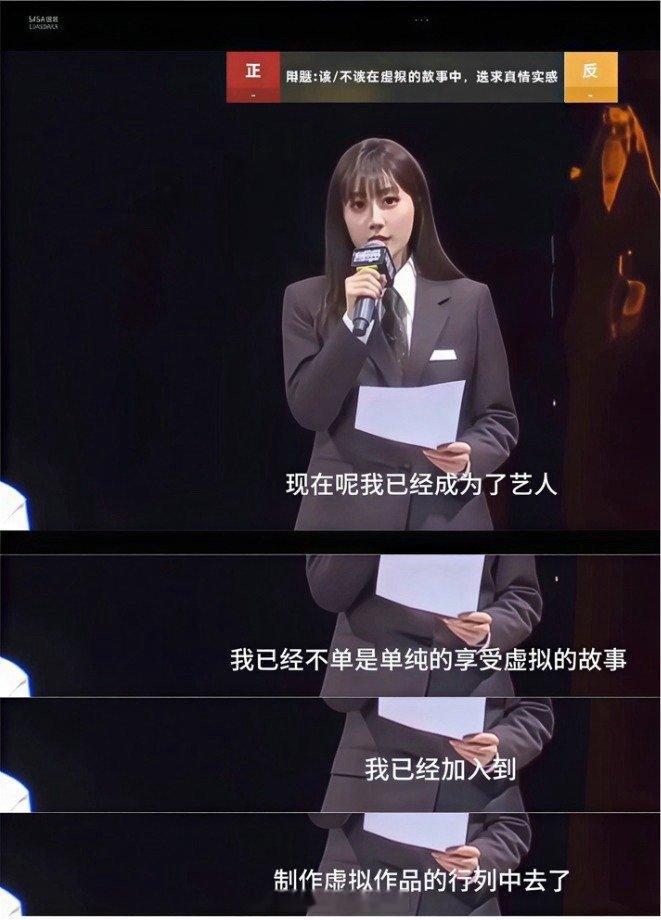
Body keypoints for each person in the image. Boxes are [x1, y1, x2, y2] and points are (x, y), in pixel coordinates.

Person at [283, 138, 517, 530]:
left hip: (442, 521)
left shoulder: (469, 300)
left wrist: (470, 455)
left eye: (390, 200)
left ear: (417, 205)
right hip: (349, 529)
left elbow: (499, 417)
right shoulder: (307, 300)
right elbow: (310, 410)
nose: (375, 219)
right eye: (358, 204)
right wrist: (351, 324)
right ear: (341, 215)